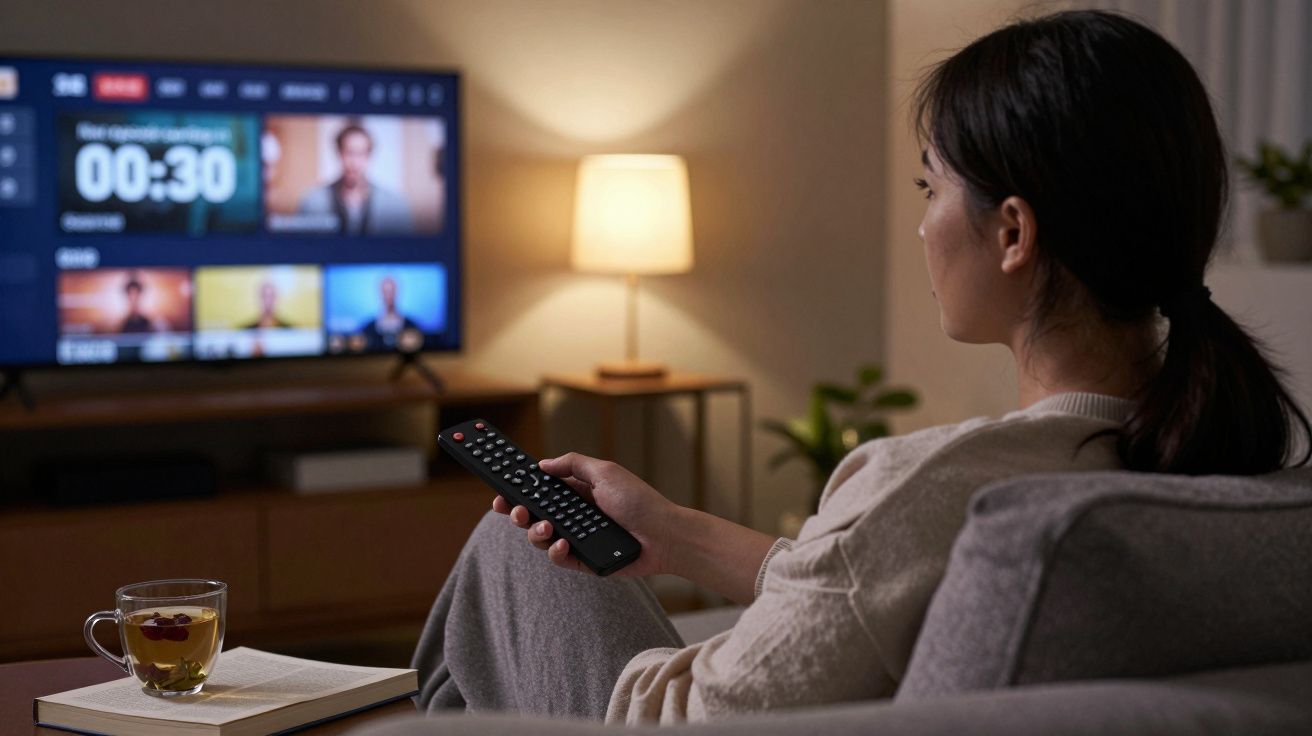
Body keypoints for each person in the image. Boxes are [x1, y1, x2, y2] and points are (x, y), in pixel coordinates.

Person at [409, 9, 1311, 727]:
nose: (922, 226)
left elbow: (688, 714)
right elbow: (876, 593)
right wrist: (673, 533)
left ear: (1011, 232)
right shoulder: (1216, 463)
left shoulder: (934, 485)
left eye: (931, 188)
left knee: (510, 553)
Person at [297, 122, 415, 235]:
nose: (354, 163)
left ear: (369, 156)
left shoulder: (394, 205)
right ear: (339, 153)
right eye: (349, 153)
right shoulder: (312, 202)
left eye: (361, 154)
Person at [359, 275, 421, 351]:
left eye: (391, 291)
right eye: (385, 292)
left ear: (397, 292)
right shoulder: (368, 328)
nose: (389, 296)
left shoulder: (412, 325)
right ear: (380, 293)